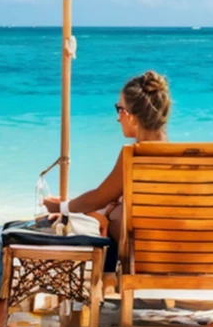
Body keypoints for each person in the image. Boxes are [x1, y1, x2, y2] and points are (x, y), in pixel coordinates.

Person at [41, 70, 171, 244]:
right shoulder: (185, 160)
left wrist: (61, 207)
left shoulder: (134, 156)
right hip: (186, 245)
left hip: (143, 247)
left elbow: (99, 198)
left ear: (132, 118)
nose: (118, 119)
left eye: (120, 109)